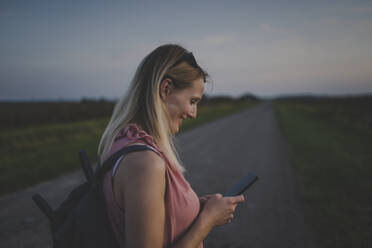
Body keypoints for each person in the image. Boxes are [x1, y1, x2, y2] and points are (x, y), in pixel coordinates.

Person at [98, 44, 245, 248]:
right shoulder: (145, 163)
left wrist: (193, 207)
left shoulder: (122, 140)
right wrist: (208, 220)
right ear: (166, 89)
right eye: (192, 101)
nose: (194, 113)